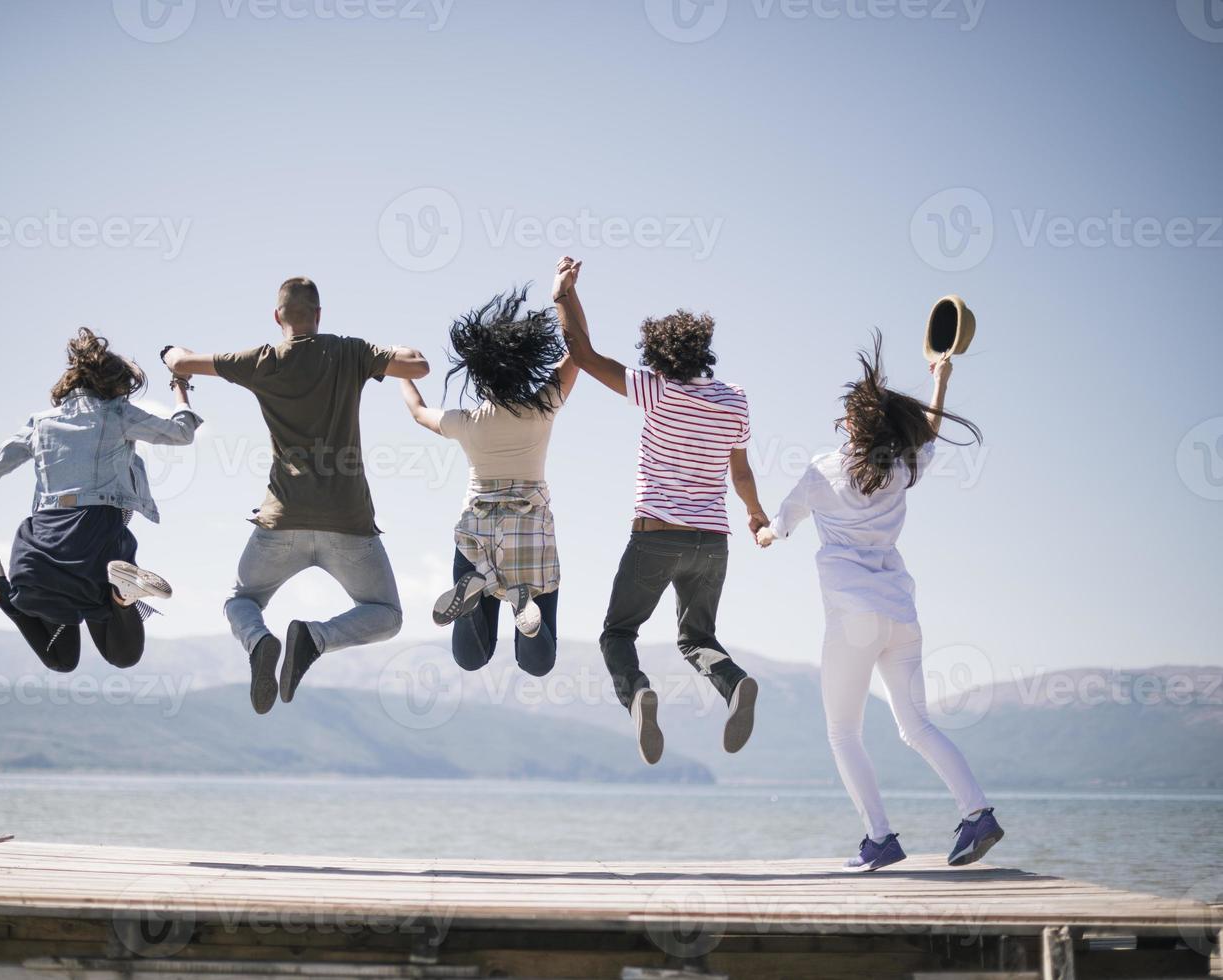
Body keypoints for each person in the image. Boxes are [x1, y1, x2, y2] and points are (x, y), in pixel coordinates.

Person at [756, 333, 1002, 872]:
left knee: (843, 732)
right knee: (917, 727)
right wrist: (941, 379)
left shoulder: (823, 470)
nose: (841, 423)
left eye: (845, 418)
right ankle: (977, 813)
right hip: (902, 616)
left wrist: (763, 533)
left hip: (853, 618)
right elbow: (930, 432)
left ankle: (880, 837)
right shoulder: (902, 467)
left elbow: (780, 527)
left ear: (854, 426)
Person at [162, 277, 429, 715]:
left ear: (277, 316)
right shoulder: (349, 351)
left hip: (281, 521)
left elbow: (183, 362)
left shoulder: (261, 361)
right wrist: (395, 348)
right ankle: (314, 638)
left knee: (241, 602)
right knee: (386, 614)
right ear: (319, 315)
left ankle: (260, 642)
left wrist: (170, 354)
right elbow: (417, 366)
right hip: (349, 524)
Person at [556, 257, 765, 766]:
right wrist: (756, 515)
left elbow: (581, 353)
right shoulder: (734, 400)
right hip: (712, 543)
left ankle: (639, 695)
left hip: (656, 536)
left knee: (618, 633)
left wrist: (563, 294)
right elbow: (740, 474)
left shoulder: (655, 388)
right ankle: (734, 685)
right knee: (698, 638)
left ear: (658, 355)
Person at [0, 328, 199, 673]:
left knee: (62, 658)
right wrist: (181, 388)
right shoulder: (117, 414)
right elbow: (182, 433)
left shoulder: (41, 423)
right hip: (96, 537)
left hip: (43, 544)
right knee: (124, 655)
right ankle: (121, 595)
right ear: (113, 386)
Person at [398, 263, 581, 678]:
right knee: (537, 663)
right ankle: (522, 600)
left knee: (470, 658)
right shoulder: (543, 406)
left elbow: (418, 412)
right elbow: (580, 350)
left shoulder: (467, 421)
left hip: (476, 530)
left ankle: (472, 602)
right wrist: (564, 296)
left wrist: (399, 374)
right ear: (526, 363)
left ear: (479, 371)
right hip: (529, 528)